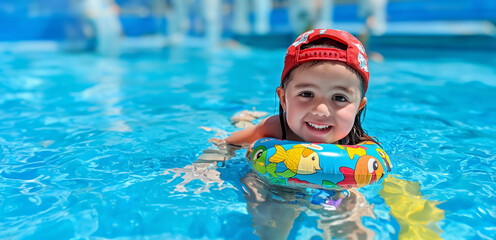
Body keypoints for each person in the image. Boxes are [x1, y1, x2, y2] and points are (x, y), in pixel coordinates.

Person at [214, 28, 378, 147]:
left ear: (358, 107)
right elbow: (226, 143)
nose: (320, 110)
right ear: (284, 99)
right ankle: (245, 117)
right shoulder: (274, 129)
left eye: (339, 98)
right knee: (241, 122)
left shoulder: (360, 146)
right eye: (307, 94)